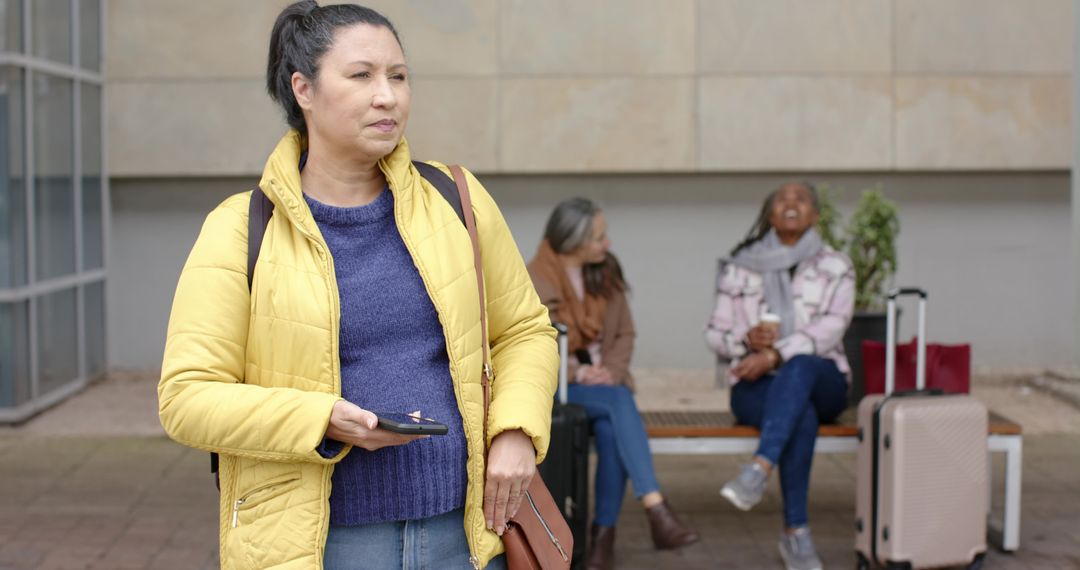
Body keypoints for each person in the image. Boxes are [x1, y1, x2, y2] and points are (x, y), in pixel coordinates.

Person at [157, 3, 558, 569]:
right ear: (304, 89)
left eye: (398, 76)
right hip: (323, 545)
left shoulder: (456, 199)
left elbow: (525, 331)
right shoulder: (240, 228)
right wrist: (320, 418)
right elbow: (187, 398)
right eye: (361, 75)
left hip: (466, 534)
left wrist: (516, 432)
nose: (387, 96)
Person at [527, 198, 699, 570]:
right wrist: (577, 373)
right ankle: (654, 506)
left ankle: (601, 543)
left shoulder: (605, 273)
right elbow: (534, 344)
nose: (608, 245)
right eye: (599, 238)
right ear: (573, 241)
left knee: (610, 430)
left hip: (606, 384)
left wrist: (612, 371)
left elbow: (625, 333)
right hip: (562, 388)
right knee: (620, 402)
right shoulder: (533, 278)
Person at [705, 182, 855, 570]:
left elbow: (830, 331)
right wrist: (745, 339)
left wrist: (774, 355)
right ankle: (795, 535)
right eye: (781, 199)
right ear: (770, 215)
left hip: (824, 381)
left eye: (800, 199)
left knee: (801, 367)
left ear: (815, 215)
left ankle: (759, 468)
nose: (791, 204)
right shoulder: (740, 267)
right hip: (756, 386)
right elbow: (713, 333)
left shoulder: (836, 266)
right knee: (798, 415)